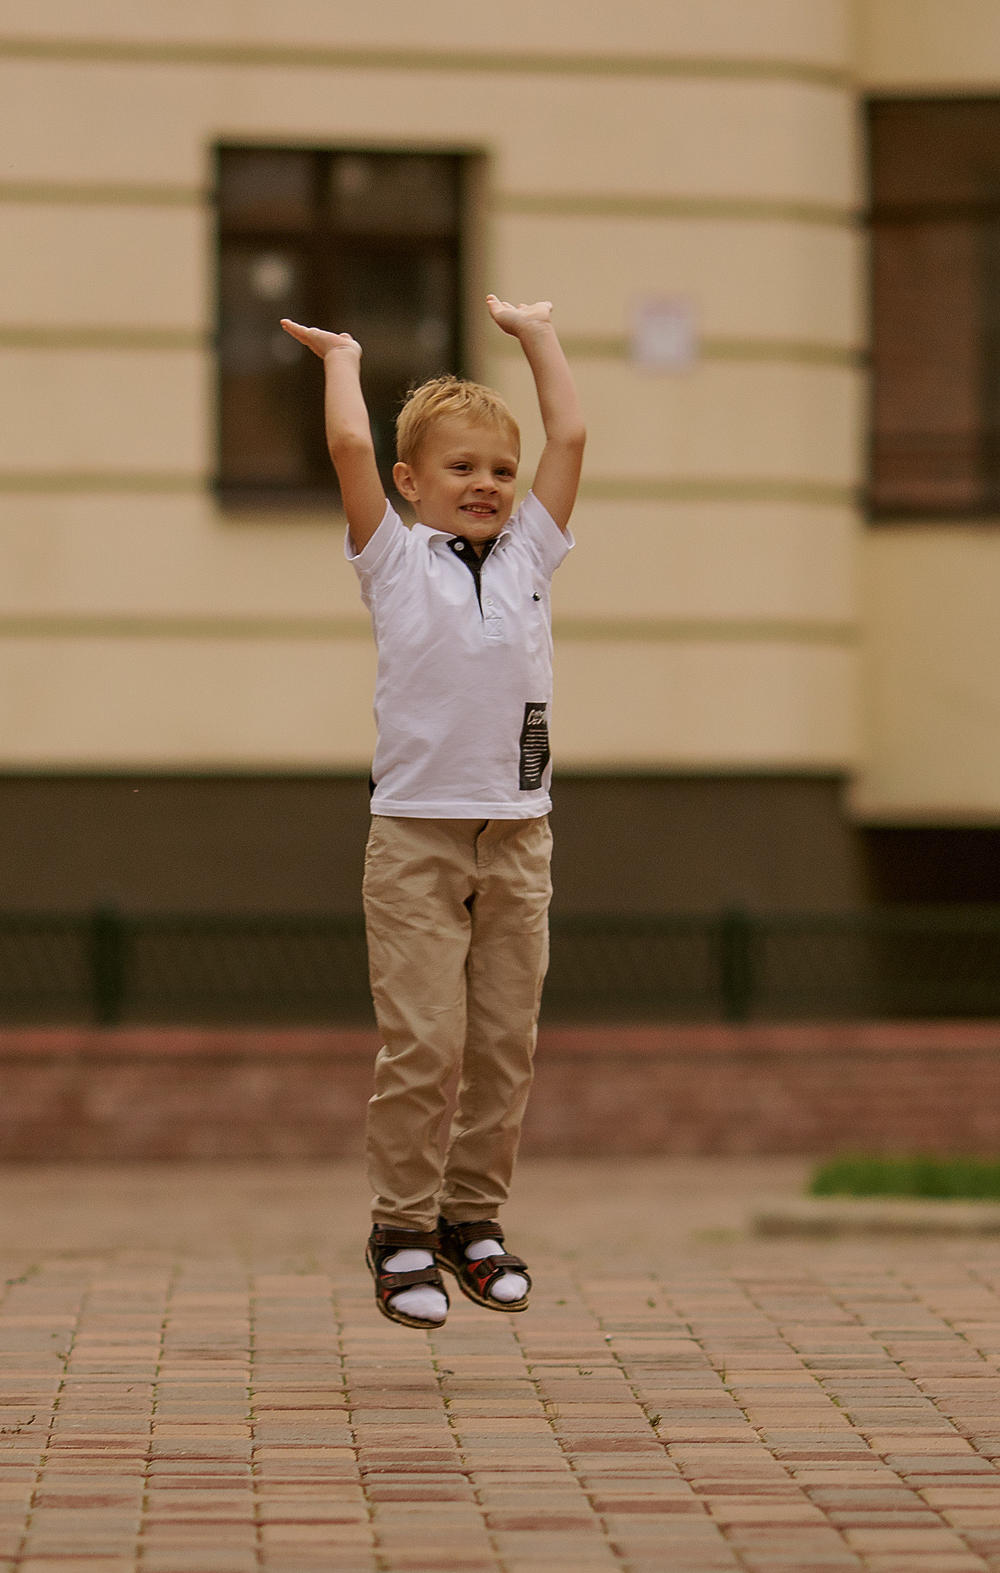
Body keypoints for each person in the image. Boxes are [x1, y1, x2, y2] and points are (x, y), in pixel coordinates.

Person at [280, 296, 587, 1329]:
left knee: (504, 1043)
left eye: (500, 471)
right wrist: (344, 360)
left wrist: (537, 336)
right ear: (412, 486)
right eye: (462, 470)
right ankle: (401, 1230)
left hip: (518, 834)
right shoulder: (394, 562)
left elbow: (572, 434)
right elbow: (347, 440)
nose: (488, 486)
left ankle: (472, 1218)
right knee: (426, 1043)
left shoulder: (531, 557)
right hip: (415, 835)